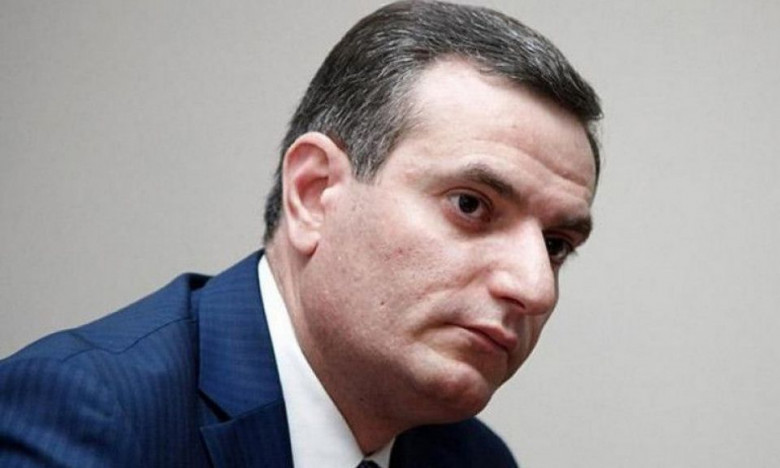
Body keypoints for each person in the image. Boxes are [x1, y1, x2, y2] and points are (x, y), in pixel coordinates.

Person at [0, 1, 602, 466]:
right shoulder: (86, 415)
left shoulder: (472, 459)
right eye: (471, 205)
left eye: (556, 246)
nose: (535, 288)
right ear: (314, 193)